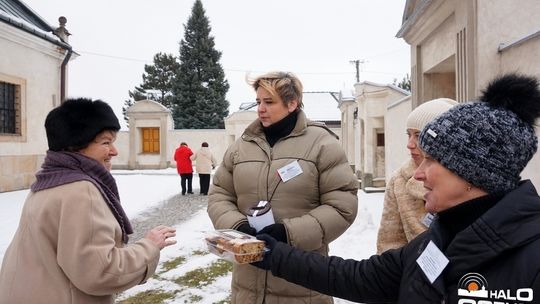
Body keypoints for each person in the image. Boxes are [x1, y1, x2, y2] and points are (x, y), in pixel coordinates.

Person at [253, 73, 540, 303]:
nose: (418, 174)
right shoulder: (438, 239)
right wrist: (271, 253)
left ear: (473, 172)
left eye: (432, 161)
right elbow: (359, 277)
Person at [0, 98, 177, 304]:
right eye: (105, 142)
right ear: (76, 146)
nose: (114, 151)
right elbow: (100, 272)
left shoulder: (48, 181)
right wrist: (150, 247)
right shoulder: (81, 191)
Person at [208, 71, 359, 303]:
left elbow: (342, 206)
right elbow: (219, 194)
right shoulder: (241, 146)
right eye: (258, 101)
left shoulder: (322, 144)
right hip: (248, 283)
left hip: (302, 281)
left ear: (292, 103)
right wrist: (237, 227)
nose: (260, 108)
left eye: (269, 102)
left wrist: (287, 234)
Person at [376, 98, 457, 253]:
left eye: (418, 136)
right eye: (409, 134)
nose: (410, 144)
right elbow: (389, 244)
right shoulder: (399, 180)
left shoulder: (469, 180)